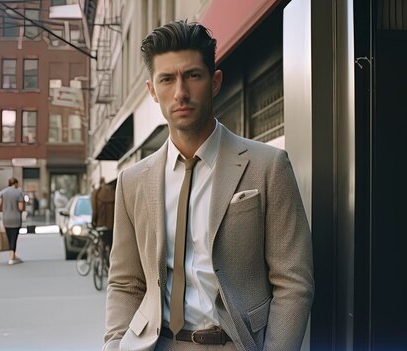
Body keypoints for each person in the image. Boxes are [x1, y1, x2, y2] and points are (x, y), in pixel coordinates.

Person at [102, 20, 314, 351]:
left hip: (235, 342)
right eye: (167, 79)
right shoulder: (133, 182)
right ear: (152, 90)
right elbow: (126, 282)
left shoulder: (268, 166)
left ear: (214, 82)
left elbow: (293, 282)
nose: (181, 93)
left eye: (193, 76)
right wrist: (115, 345)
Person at [0, 177, 25, 265]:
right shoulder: (19, 192)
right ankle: (12, 257)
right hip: (16, 218)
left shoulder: (3, 192)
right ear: (15, 183)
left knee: (8, 237)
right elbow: (20, 208)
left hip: (6, 218)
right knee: (14, 237)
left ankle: (12, 255)